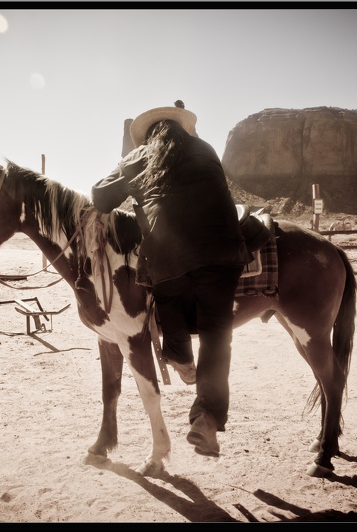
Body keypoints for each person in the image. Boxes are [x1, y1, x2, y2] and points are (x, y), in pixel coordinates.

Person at [91, 101, 249, 457]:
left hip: (169, 257)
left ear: (149, 135)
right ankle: (207, 418)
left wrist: (127, 167)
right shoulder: (205, 149)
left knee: (169, 299)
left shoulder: (142, 155)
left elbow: (100, 197)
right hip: (223, 254)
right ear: (182, 128)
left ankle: (180, 357)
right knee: (216, 337)